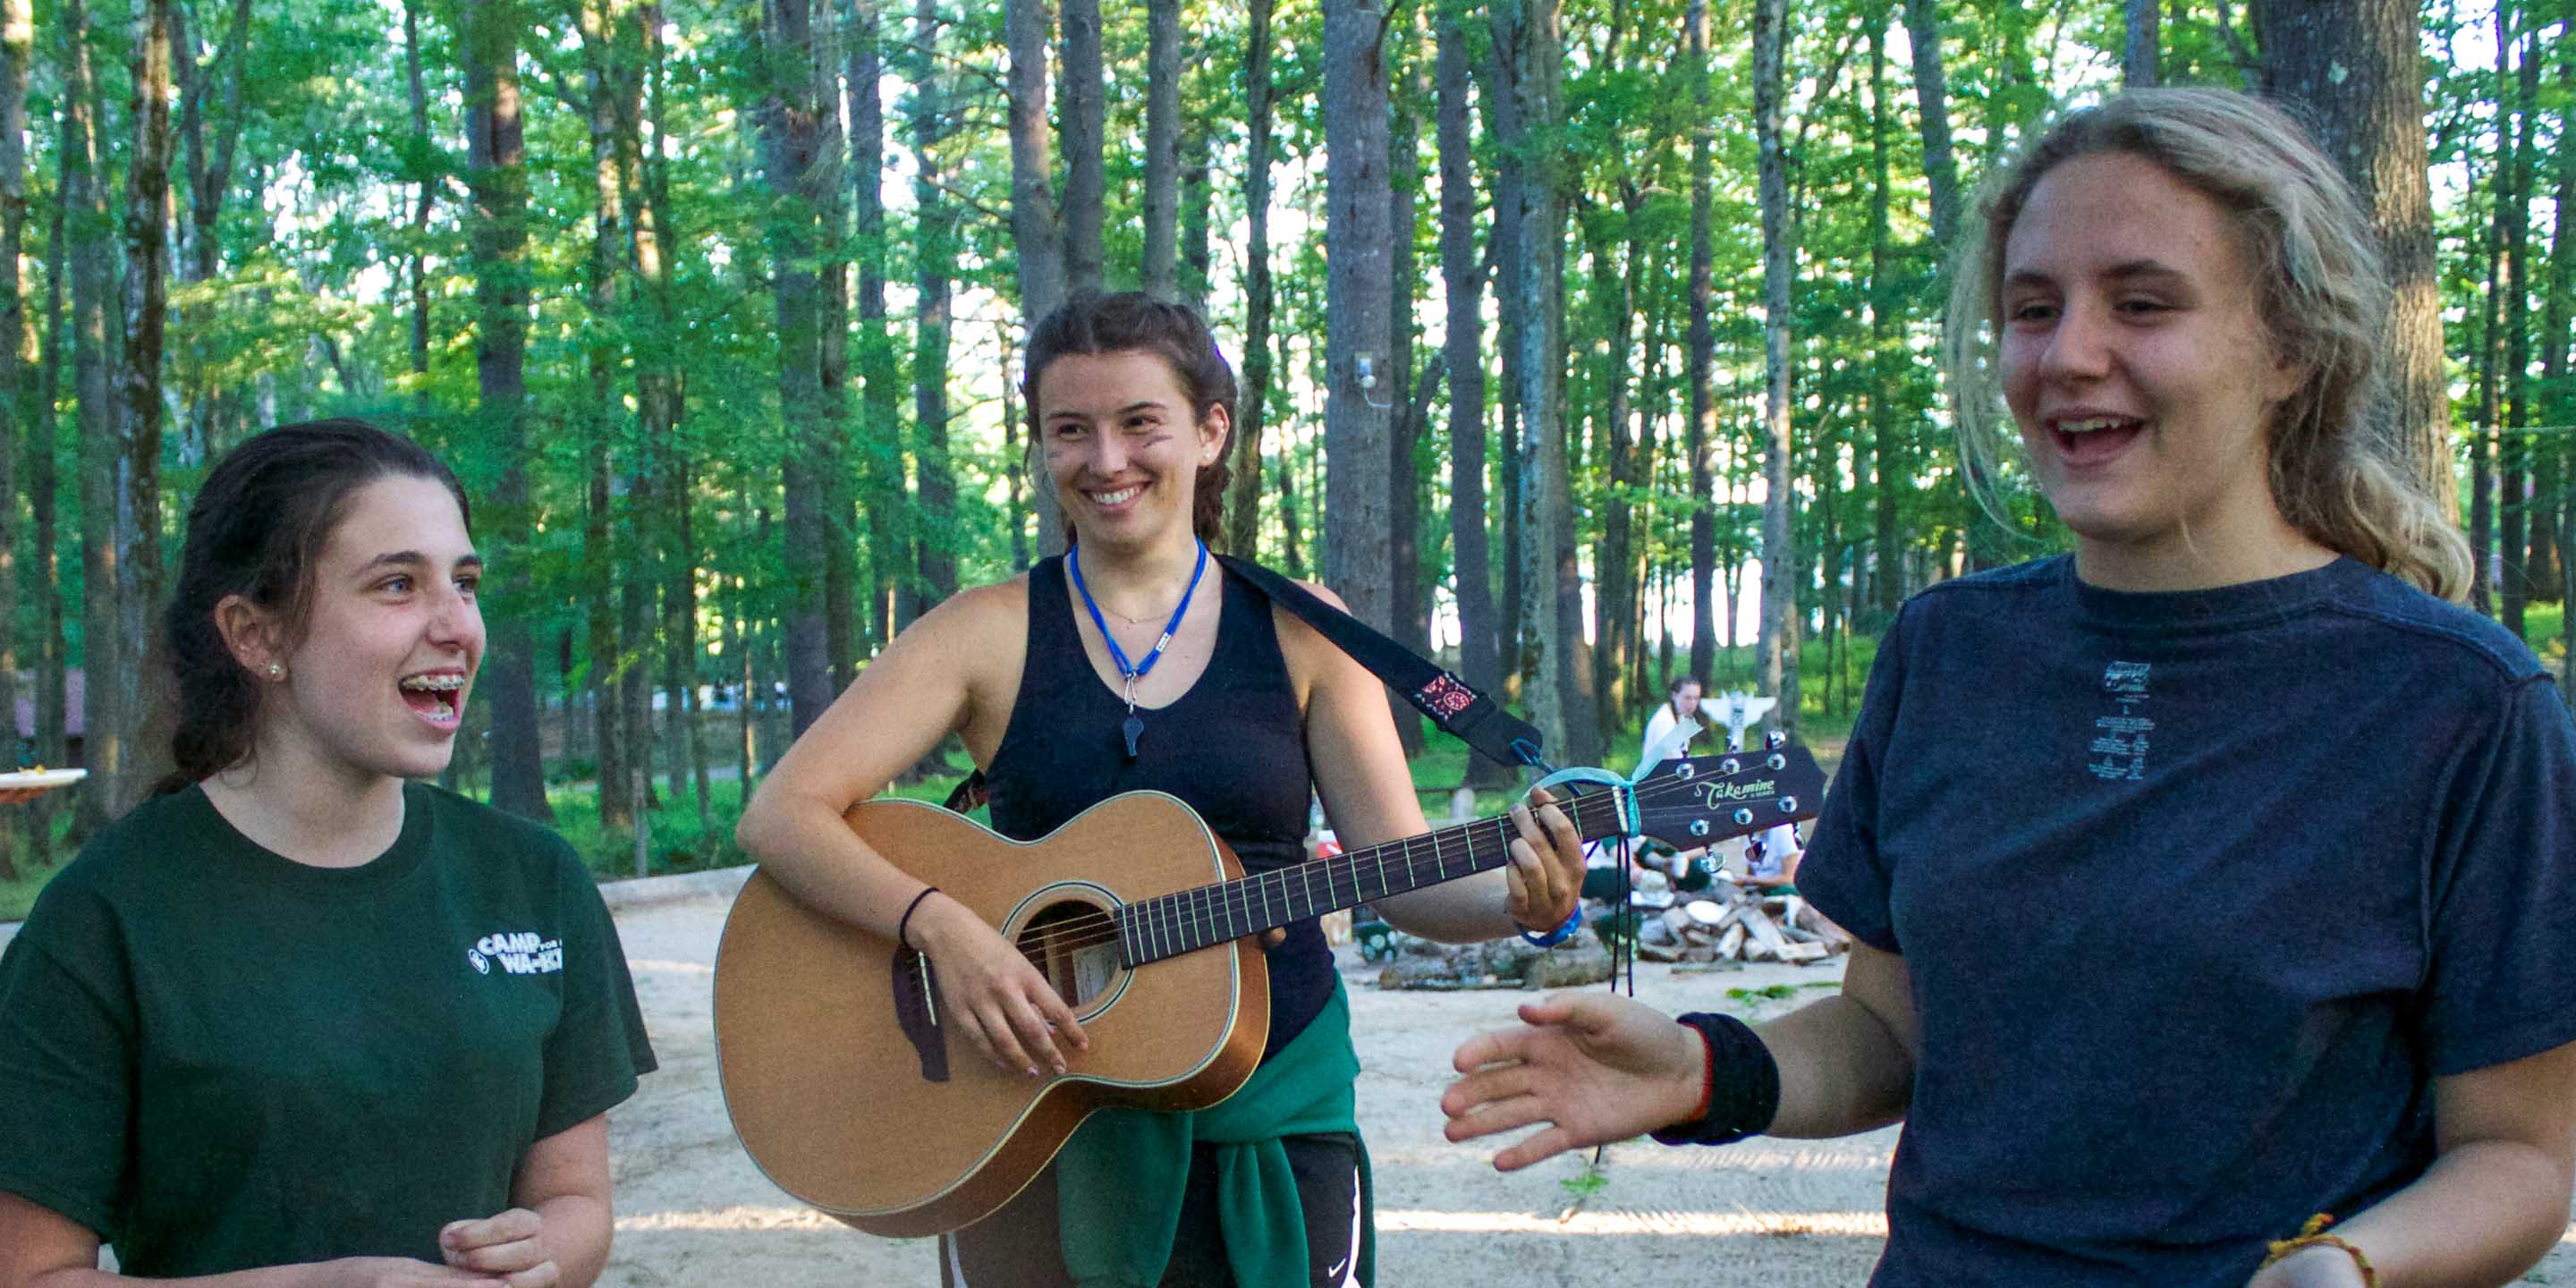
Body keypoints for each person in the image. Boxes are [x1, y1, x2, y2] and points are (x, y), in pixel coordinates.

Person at [1439, 88, 2576, 1288]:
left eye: (2142, 302)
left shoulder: (2460, 705)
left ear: (2288, 347)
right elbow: (1891, 1035)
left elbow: (2522, 1157)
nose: (2071, 354)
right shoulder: (1948, 653)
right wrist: (1707, 1071)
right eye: (2034, 309)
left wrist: (2343, 1271)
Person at [734, 292, 1587, 1288]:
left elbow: (1399, 876)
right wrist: (944, 930)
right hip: (1033, 1100)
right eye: (1071, 430)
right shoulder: (984, 632)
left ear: (1211, 430)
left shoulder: (1307, 627)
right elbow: (781, 813)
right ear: (1041, 448)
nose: (1107, 461)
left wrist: (1528, 907)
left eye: (1140, 422)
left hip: (1269, 1096)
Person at [0, 420, 657, 1288]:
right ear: (256, 636)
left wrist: (537, 1257)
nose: (458, 624)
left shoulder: (532, 880)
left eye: (465, 583)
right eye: (397, 584)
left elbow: (575, 1203)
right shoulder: (106, 916)